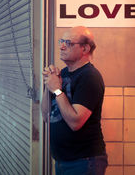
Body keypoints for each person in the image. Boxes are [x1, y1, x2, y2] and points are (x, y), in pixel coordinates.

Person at [41, 26, 107, 175]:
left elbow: (75, 122)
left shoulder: (90, 77)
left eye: (69, 43)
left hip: (85, 161)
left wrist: (57, 90)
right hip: (63, 160)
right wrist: (48, 85)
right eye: (62, 41)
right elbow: (46, 116)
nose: (62, 46)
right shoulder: (63, 73)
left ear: (85, 49)